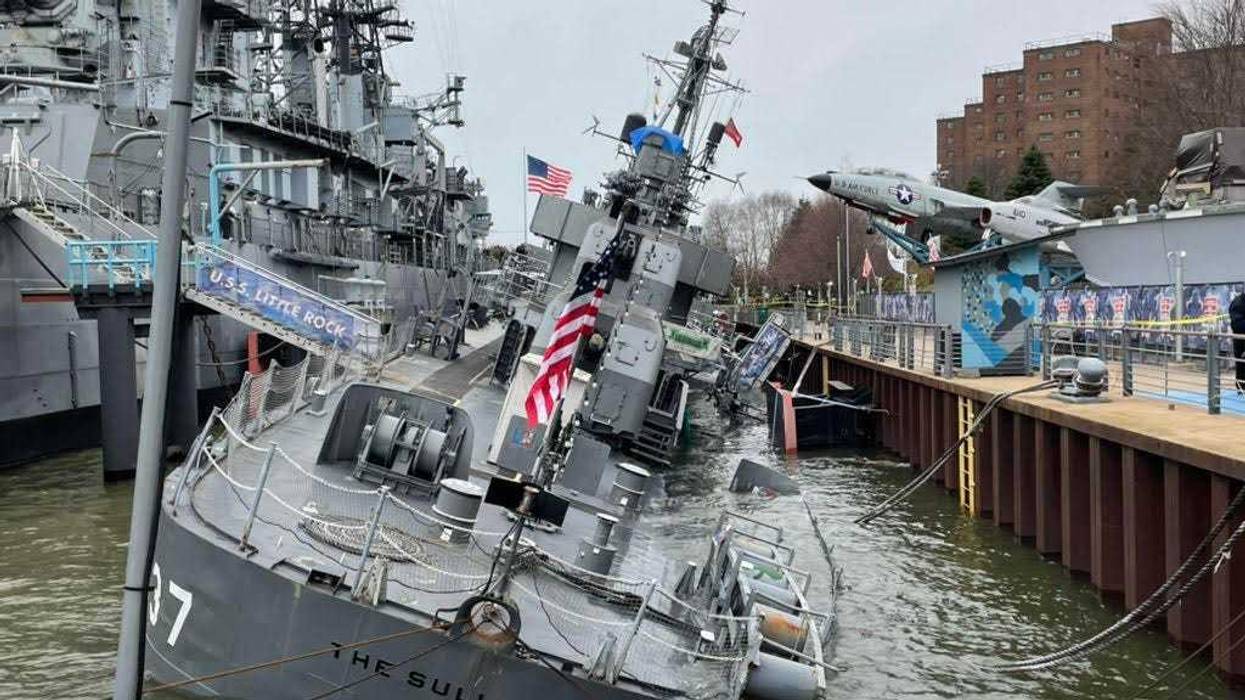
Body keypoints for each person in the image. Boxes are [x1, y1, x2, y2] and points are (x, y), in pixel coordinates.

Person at [1231, 292, 1245, 393]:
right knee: (1241, 365)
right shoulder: (1238, 302)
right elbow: (1237, 324)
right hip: (1241, 342)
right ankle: (1241, 387)